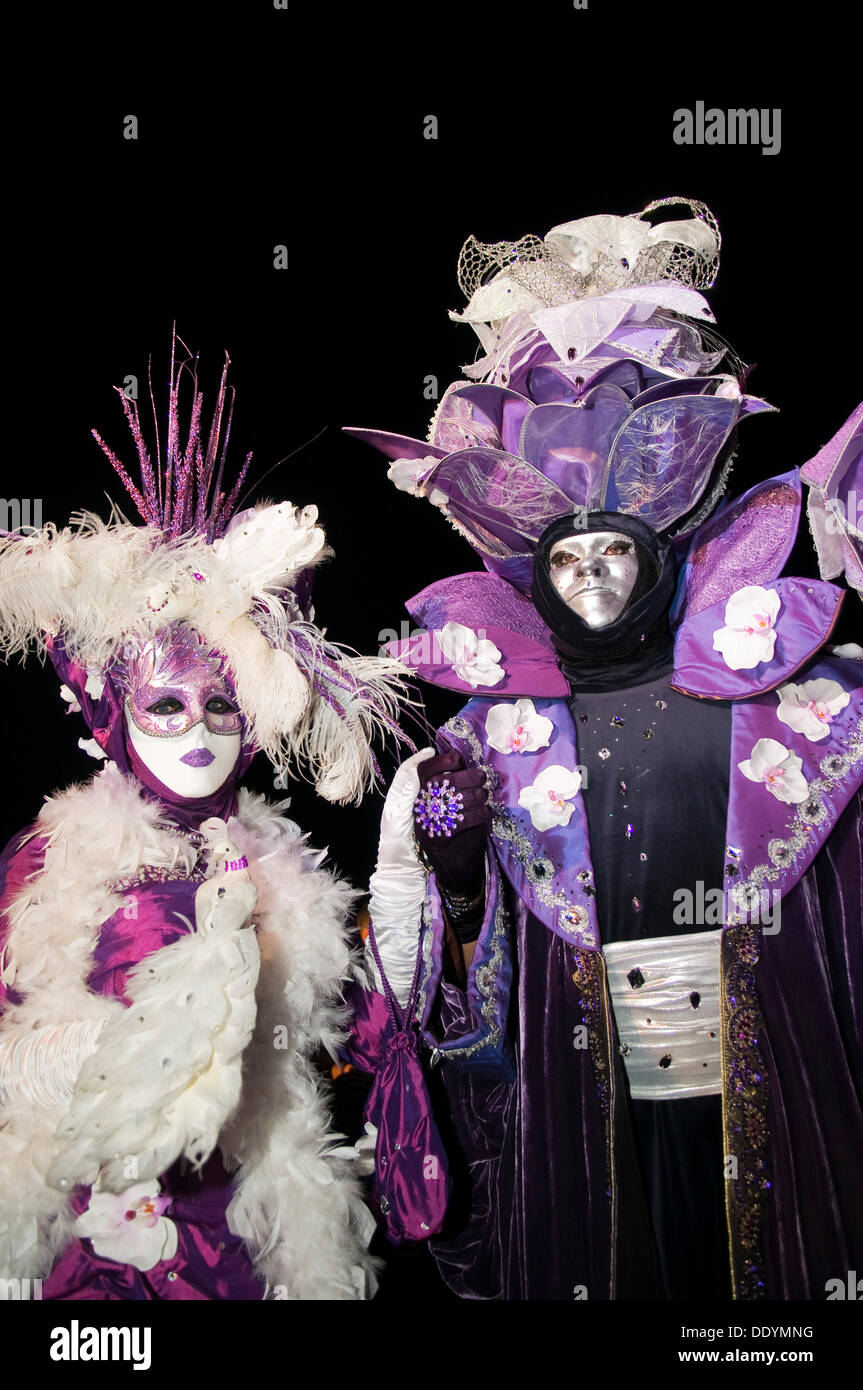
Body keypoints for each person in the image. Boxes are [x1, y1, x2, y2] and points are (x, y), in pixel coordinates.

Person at [348, 199, 863, 1300]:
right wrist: (454, 873)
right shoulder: (484, 739)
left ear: (663, 539)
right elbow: (454, 1001)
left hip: (765, 1075)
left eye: (613, 550)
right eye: (564, 556)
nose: (590, 578)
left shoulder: (799, 701)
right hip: (590, 1111)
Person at [0, 339, 410, 1300]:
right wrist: (105, 1060)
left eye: (221, 705)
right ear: (114, 717)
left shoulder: (285, 865)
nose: (197, 731)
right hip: (101, 1232)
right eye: (166, 707)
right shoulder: (53, 855)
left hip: (252, 1234)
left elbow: (358, 1042)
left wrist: (420, 893)